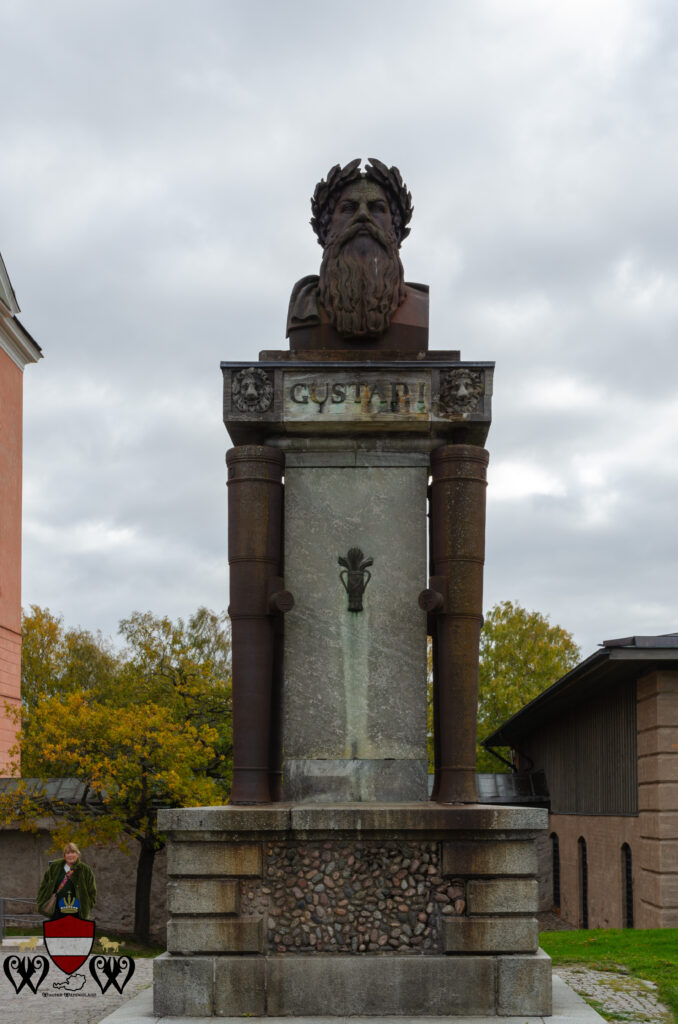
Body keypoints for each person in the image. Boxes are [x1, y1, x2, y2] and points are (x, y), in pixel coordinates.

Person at [37, 842, 96, 920]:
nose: (70, 855)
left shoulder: (85, 870)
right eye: (68, 853)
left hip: (78, 913)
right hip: (57, 911)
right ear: (64, 855)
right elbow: (44, 885)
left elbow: (92, 891)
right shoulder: (55, 867)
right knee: (57, 931)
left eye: (73, 852)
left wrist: (87, 906)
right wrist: (41, 900)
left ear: (77, 854)